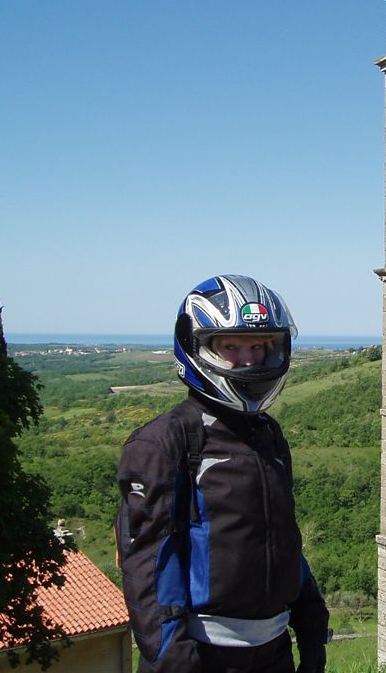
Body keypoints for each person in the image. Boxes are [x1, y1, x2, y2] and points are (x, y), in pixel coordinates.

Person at [116, 275, 329, 673]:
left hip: (273, 650)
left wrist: (312, 623)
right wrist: (174, 660)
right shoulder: (165, 442)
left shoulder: (267, 434)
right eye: (231, 346)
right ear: (198, 348)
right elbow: (148, 565)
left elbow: (281, 537)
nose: (249, 360)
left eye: (259, 346)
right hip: (202, 655)